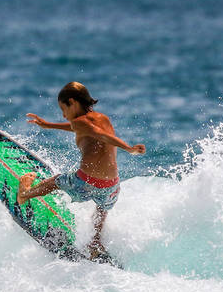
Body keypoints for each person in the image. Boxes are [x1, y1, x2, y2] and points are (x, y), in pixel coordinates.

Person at [17, 81, 145, 260]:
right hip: (112, 186)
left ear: (73, 102)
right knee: (102, 208)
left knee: (58, 181)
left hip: (86, 181)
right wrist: (49, 125)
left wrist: (129, 148)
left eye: (63, 109)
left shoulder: (81, 123)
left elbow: (98, 134)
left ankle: (25, 194)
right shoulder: (102, 118)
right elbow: (84, 128)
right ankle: (95, 242)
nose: (63, 115)